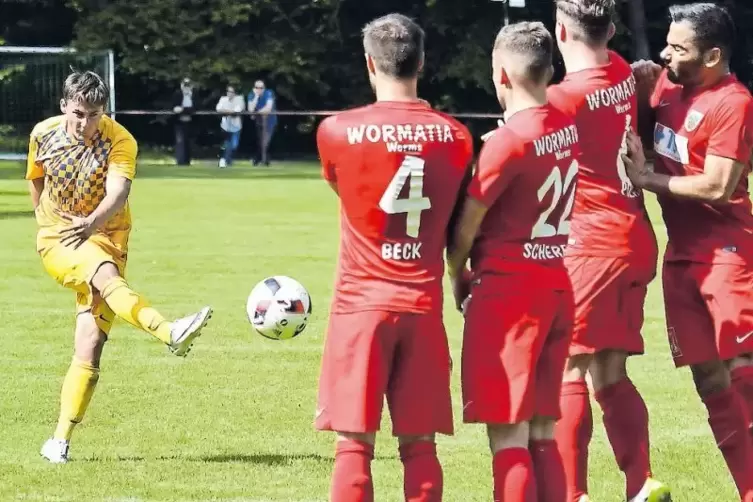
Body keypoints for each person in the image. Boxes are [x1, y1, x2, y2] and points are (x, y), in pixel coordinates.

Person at [314, 13, 473, 502]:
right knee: (420, 447)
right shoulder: (459, 137)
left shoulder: (335, 131)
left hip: (360, 307)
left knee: (353, 447)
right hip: (423, 307)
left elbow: (345, 188)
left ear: (369, 64)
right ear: (421, 62)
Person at [26, 70, 212, 464]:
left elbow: (118, 191)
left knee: (90, 346)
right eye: (78, 113)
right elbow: (36, 178)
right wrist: (47, 222)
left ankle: (58, 441)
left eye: (94, 114)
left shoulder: (120, 140)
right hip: (60, 239)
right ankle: (168, 331)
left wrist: (91, 223)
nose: (85, 123)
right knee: (104, 274)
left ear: (104, 111)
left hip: (107, 237)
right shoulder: (43, 134)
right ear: (64, 106)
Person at [625, 3, 753, 500]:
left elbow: (720, 186)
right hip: (680, 258)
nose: (665, 53)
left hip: (728, 255)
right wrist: (635, 87)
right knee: (707, 380)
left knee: (743, 374)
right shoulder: (666, 88)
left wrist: (645, 180)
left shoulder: (734, 101)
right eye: (667, 43)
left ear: (713, 55)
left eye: (679, 48)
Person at [447, 21, 577, 502]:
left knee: (508, 436)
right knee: (542, 433)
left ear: (501, 75)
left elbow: (466, 227)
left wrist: (455, 274)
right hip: (555, 285)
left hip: (508, 296)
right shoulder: (566, 126)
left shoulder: (506, 142)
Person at [546, 1, 669, 501]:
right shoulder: (618, 70)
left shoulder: (561, 98)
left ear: (560, 30)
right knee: (611, 372)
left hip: (589, 245)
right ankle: (641, 485)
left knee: (568, 370)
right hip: (633, 233)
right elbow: (642, 83)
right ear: (611, 30)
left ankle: (572, 495)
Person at [247, 80, 277, 166]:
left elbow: (268, 108)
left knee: (265, 142)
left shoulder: (269, 93)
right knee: (261, 142)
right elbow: (250, 109)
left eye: (261, 88)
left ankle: (259, 160)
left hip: (270, 122)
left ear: (264, 88)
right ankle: (264, 160)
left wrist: (256, 113)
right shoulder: (251, 95)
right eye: (257, 88)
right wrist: (256, 97)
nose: (259, 89)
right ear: (254, 88)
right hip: (259, 122)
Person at [215, 85, 245, 168]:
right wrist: (229, 111)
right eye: (228, 91)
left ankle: (226, 160)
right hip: (225, 126)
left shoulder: (239, 99)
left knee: (234, 145)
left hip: (236, 127)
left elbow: (237, 110)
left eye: (231, 92)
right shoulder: (223, 99)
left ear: (235, 93)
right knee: (227, 144)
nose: (229, 93)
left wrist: (226, 111)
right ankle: (224, 160)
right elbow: (218, 108)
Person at [173, 77, 195, 166]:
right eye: (185, 85)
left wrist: (183, 109)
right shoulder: (177, 94)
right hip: (179, 122)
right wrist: (181, 110)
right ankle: (180, 162)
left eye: (188, 86)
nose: (186, 87)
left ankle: (187, 161)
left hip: (191, 122)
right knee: (180, 142)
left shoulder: (194, 95)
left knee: (188, 142)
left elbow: (195, 108)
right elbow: (174, 107)